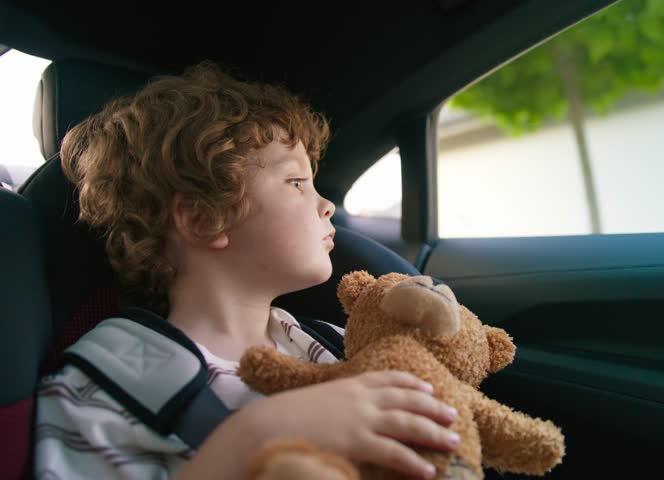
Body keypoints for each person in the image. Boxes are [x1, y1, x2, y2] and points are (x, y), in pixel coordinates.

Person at [35, 63, 460, 479]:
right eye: (296, 182)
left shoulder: (331, 344)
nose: (326, 205)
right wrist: (251, 437)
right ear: (204, 218)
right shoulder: (106, 384)